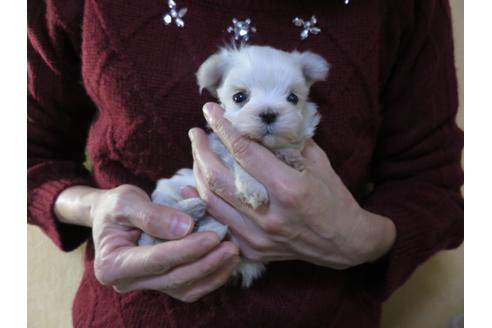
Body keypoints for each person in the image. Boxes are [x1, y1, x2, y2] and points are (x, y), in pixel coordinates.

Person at [27, 0, 463, 327]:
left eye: (290, 98)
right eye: (241, 98)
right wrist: (95, 208)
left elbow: (434, 185)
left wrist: (363, 239)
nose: (269, 111)